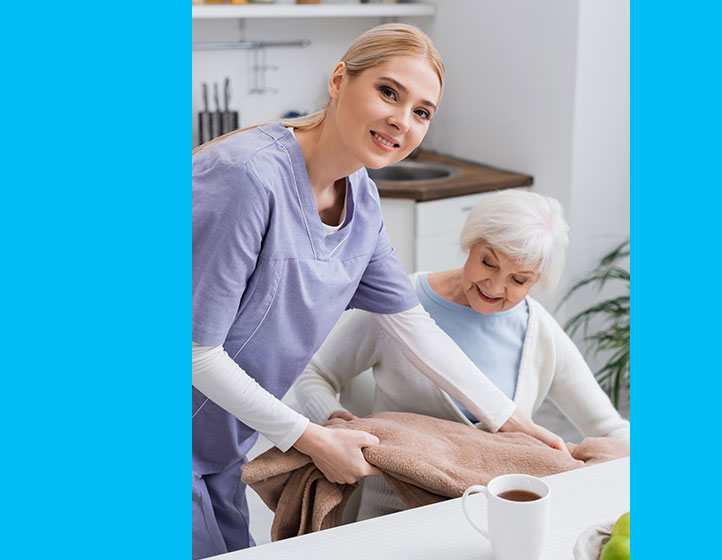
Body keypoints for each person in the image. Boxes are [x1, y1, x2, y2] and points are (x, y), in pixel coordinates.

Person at [191, 24, 566, 559]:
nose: (401, 120)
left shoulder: (361, 200)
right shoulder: (247, 177)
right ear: (340, 79)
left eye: (421, 111)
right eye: (388, 92)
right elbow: (195, 350)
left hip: (218, 448)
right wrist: (311, 437)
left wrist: (510, 421)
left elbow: (411, 324)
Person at [292, 189, 631, 521]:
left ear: (536, 280)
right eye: (488, 263)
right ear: (471, 242)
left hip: (494, 517)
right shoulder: (399, 306)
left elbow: (608, 427)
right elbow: (314, 373)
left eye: (518, 279)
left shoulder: (539, 332)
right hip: (392, 512)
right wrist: (334, 423)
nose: (495, 287)